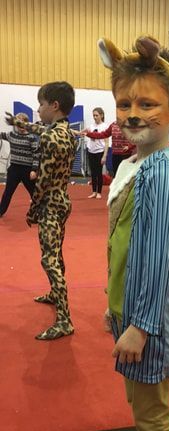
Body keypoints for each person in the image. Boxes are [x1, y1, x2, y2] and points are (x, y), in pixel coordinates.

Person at [99, 35, 169, 431]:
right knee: (142, 413)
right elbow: (122, 248)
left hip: (147, 323)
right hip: (131, 313)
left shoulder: (162, 174)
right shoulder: (136, 164)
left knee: (153, 417)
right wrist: (113, 305)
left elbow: (154, 258)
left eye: (148, 105)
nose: (133, 114)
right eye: (124, 104)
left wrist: (140, 326)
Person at [6, 81, 77, 341]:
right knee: (56, 254)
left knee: (49, 259)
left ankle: (65, 320)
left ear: (54, 105)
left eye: (41, 104)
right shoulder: (68, 132)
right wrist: (23, 124)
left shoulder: (49, 137)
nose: (38, 109)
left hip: (50, 203)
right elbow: (44, 130)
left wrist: (32, 209)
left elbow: (42, 181)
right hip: (64, 201)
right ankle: (53, 293)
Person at [0, 113, 40, 217]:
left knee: (34, 193)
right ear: (15, 124)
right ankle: (1, 211)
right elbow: (1, 135)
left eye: (23, 123)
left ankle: (39, 213)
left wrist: (34, 170)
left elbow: (36, 154)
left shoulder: (32, 137)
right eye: (19, 124)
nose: (21, 127)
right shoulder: (11, 135)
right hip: (14, 169)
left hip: (28, 170)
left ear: (27, 124)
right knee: (8, 192)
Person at [83, 107, 108, 199]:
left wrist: (104, 156)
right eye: (93, 115)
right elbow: (84, 131)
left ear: (101, 115)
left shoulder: (105, 127)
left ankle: (99, 192)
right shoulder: (91, 126)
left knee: (98, 173)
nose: (95, 117)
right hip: (91, 151)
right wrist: (76, 132)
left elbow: (106, 142)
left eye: (96, 115)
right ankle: (94, 191)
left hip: (99, 151)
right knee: (93, 173)